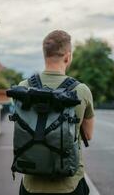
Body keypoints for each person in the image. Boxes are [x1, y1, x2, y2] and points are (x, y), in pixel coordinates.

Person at [18, 30, 95, 195]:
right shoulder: (81, 91)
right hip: (69, 183)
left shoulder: (23, 87)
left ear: (44, 55)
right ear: (68, 57)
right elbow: (88, 135)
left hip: (31, 183)